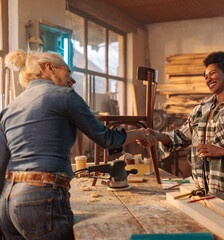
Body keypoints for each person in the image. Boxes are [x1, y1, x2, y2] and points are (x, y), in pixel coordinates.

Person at [0, 50, 151, 239]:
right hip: (41, 196)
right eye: (68, 71)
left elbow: (0, 164)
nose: (73, 80)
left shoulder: (10, 107)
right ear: (50, 67)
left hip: (7, 201)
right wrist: (137, 132)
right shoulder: (64, 96)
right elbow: (106, 138)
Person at [139, 51, 224, 207]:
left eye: (212, 73)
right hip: (200, 190)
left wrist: (222, 151)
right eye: (206, 76)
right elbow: (180, 137)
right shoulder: (200, 110)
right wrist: (158, 135)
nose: (208, 79)